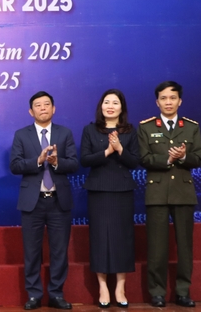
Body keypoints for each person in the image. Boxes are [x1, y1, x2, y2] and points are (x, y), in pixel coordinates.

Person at [10, 91, 78, 310]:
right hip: (33, 201)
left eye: (46, 104)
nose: (42, 108)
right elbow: (15, 165)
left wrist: (57, 163)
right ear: (31, 111)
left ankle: (56, 294)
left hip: (58, 200)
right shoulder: (22, 135)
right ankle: (34, 295)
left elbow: (74, 164)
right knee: (32, 251)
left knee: (59, 251)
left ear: (53, 109)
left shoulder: (64, 133)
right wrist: (37, 161)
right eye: (37, 105)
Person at [137, 81, 201, 308]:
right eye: (163, 98)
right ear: (157, 102)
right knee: (157, 247)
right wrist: (167, 159)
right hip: (157, 193)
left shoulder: (191, 126)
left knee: (185, 246)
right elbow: (144, 159)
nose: (168, 102)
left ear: (179, 101)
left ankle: (183, 291)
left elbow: (198, 158)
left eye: (172, 98)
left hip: (184, 192)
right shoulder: (146, 127)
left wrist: (183, 157)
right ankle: (157, 292)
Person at [79, 89, 139, 308]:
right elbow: (84, 159)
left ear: (122, 108)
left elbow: (135, 162)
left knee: (122, 238)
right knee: (100, 238)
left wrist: (120, 148)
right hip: (98, 190)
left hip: (122, 190)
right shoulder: (90, 130)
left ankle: (120, 287)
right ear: (101, 106)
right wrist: (107, 151)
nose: (110, 106)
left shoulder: (131, 131)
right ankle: (103, 287)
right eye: (106, 102)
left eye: (115, 102)